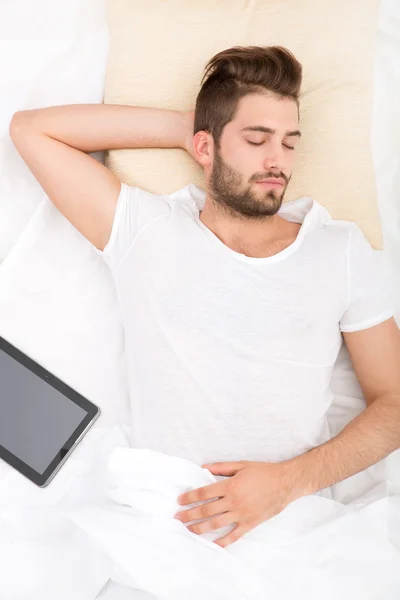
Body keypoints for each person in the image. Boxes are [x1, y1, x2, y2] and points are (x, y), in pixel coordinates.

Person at [9, 46, 400, 549]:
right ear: (205, 147)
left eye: (289, 142)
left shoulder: (340, 249)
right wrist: (189, 130)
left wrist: (288, 483)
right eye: (257, 138)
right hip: (167, 529)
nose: (277, 160)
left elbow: (394, 403)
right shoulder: (145, 230)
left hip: (298, 528)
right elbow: (31, 130)